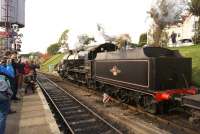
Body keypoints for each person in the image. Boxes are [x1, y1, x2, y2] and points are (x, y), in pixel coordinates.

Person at [0, 57, 15, 134]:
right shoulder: (2, 68)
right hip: (2, 93)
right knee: (2, 115)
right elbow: (12, 75)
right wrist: (9, 65)